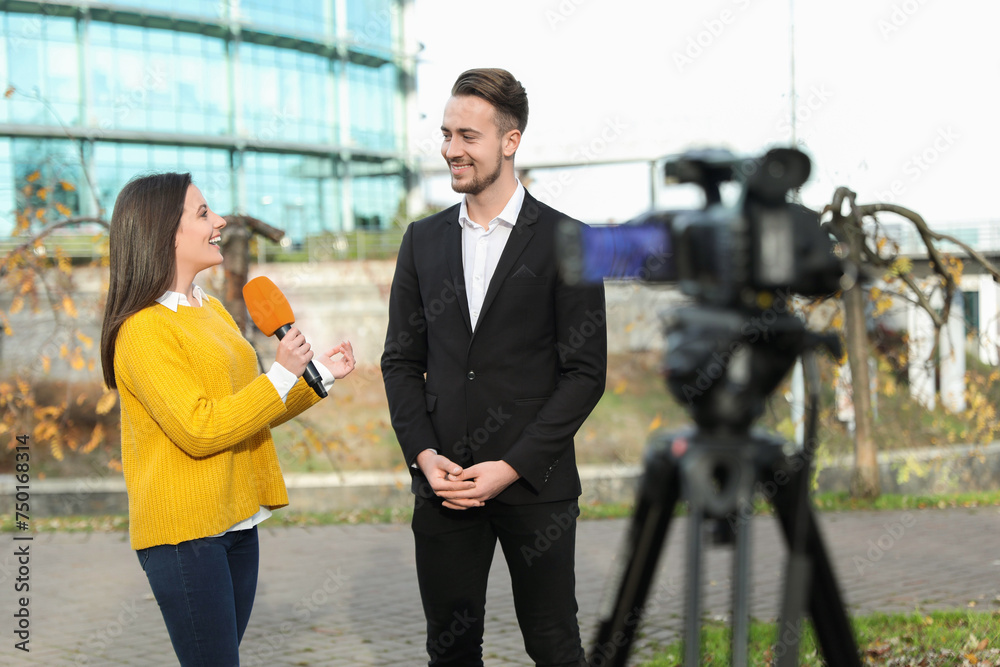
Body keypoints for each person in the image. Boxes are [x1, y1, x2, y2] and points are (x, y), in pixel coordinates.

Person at [381, 68, 607, 666]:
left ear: (511, 141)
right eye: (446, 133)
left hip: (537, 485)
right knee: (450, 651)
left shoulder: (570, 241)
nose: (451, 149)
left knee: (555, 645)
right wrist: (424, 457)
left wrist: (510, 467)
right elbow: (401, 361)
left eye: (468, 136)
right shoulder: (420, 240)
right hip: (444, 485)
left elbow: (585, 374)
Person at [99, 172, 355, 666]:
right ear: (163, 233)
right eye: (202, 214)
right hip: (186, 536)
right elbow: (201, 429)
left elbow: (245, 410)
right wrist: (280, 373)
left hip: (237, 520)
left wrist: (316, 373)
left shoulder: (211, 308)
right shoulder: (142, 331)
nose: (219, 222)